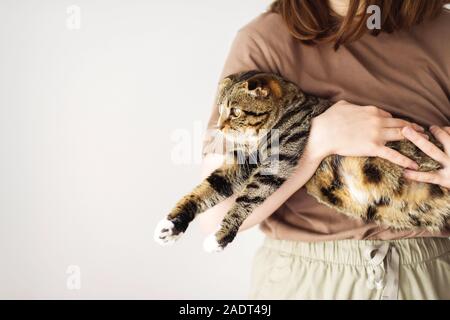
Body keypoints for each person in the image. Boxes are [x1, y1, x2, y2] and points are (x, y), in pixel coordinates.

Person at [198, 0, 450, 299]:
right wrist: (317, 141)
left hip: (434, 277)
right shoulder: (265, 40)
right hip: (308, 282)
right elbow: (215, 216)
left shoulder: (443, 32)